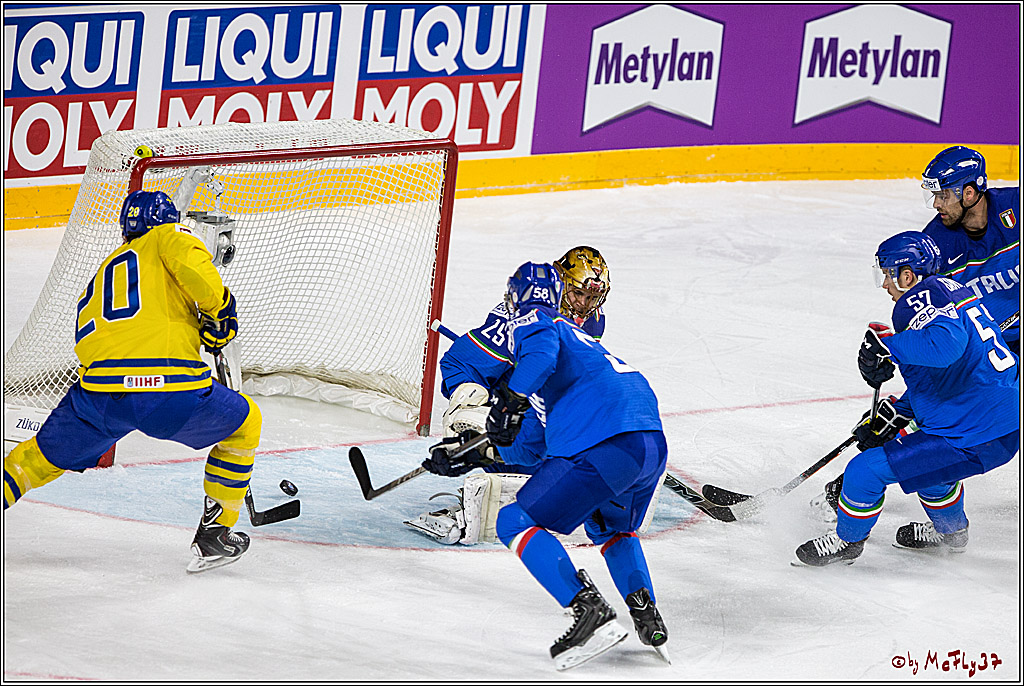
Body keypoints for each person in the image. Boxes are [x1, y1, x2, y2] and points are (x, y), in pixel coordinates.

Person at [2, 190, 262, 574]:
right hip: (166, 389)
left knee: (36, 459)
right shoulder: (169, 236)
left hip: (100, 395)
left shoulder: (106, 269)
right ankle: (216, 533)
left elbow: (87, 337)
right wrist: (220, 312)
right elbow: (197, 273)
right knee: (245, 424)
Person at [425, 262, 670, 670]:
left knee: (514, 522)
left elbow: (539, 355)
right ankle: (647, 615)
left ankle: (587, 611)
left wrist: (509, 399)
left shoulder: (537, 320)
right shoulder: (581, 344)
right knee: (609, 528)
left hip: (605, 439)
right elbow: (533, 447)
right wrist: (473, 456)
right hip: (648, 443)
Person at [794, 231, 1018, 566]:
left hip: (973, 433)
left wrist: (889, 349)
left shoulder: (920, 298)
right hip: (998, 422)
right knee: (933, 475)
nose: (885, 284)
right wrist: (899, 412)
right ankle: (951, 534)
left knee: (864, 472)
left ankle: (846, 544)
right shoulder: (952, 289)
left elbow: (947, 348)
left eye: (887, 274)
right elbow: (952, 373)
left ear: (907, 275)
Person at [405, 247, 613, 544]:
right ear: (562, 285)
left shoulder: (593, 319)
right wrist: (475, 398)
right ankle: (477, 486)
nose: (584, 305)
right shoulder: (518, 320)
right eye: (579, 294)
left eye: (592, 298)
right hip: (507, 408)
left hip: (538, 411)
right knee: (474, 412)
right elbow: (457, 363)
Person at [920, 146, 1020, 355]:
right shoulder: (934, 245)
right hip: (989, 352)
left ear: (969, 193)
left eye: (943, 195)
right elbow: (933, 320)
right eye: (934, 195)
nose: (936, 204)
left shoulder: (1016, 207)